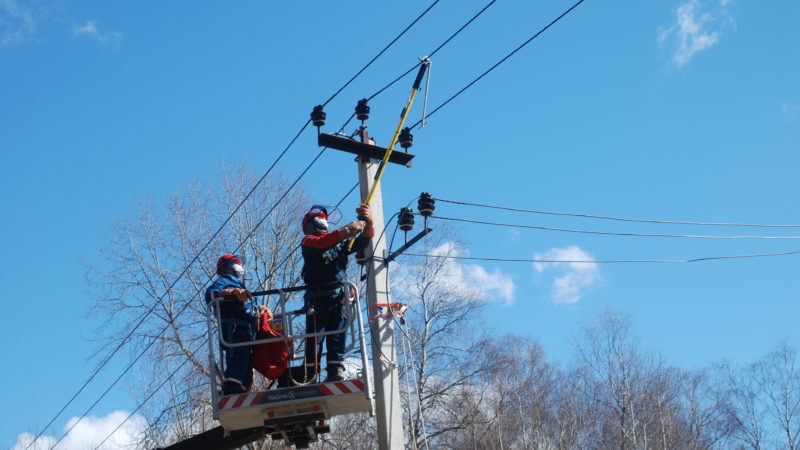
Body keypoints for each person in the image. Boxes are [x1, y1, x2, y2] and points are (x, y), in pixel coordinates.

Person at [299, 204, 374, 382]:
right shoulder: (308, 242)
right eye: (320, 218)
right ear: (310, 224)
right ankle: (310, 374)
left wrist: (368, 222)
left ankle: (335, 370)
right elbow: (324, 243)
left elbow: (364, 240)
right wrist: (349, 229)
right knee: (314, 340)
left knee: (337, 336)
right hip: (316, 301)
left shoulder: (338, 245)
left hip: (338, 299)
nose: (324, 221)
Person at [205, 254, 269, 395]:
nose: (239, 268)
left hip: (247, 330)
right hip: (234, 329)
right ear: (226, 267)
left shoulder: (240, 286)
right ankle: (232, 385)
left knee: (246, 360)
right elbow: (210, 295)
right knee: (238, 356)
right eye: (235, 264)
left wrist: (261, 310)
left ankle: (242, 388)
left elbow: (250, 307)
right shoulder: (225, 281)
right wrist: (229, 292)